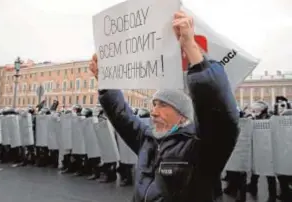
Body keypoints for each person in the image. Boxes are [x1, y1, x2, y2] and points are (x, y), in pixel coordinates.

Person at [89, 10, 239, 202]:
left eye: (163, 105)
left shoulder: (201, 146)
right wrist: (104, 81)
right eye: (154, 104)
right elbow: (121, 115)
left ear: (182, 114)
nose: (154, 112)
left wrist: (190, 46)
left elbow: (219, 116)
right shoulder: (148, 139)